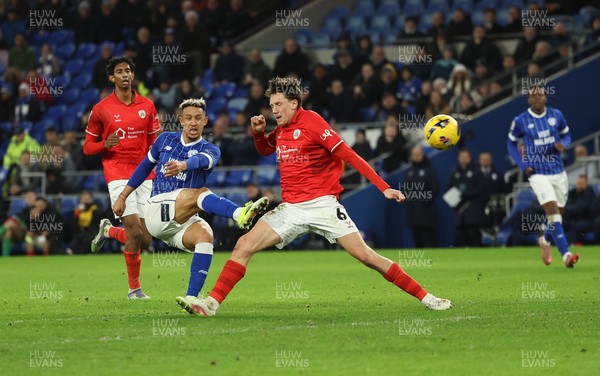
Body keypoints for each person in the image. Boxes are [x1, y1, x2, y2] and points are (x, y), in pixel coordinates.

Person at [178, 77, 452, 316]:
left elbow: (349, 155)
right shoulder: (282, 130)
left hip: (323, 205)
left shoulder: (313, 122)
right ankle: (211, 303)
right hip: (291, 208)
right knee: (243, 245)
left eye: (279, 105)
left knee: (366, 256)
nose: (274, 110)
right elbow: (264, 150)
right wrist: (259, 134)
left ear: (294, 103)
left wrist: (383, 187)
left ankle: (427, 298)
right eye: (272, 105)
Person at [111, 98, 268, 309]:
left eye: (198, 118)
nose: (193, 123)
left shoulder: (212, 149)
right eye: (188, 118)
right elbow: (143, 168)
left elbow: (202, 160)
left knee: (205, 235)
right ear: (181, 121)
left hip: (181, 219)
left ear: (205, 121)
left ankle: (192, 298)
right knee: (200, 193)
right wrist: (123, 196)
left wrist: (183, 165)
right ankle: (239, 214)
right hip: (158, 208)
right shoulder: (165, 140)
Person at [83, 56, 160, 299]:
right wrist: (104, 144)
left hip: (145, 174)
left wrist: (158, 171)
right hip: (117, 173)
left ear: (133, 75)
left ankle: (108, 231)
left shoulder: (147, 105)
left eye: (128, 70)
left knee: (146, 239)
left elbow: (153, 144)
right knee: (135, 234)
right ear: (111, 78)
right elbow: (87, 148)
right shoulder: (101, 109)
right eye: (120, 71)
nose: (125, 75)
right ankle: (134, 289)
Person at [507, 86, 579, 267]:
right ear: (529, 99)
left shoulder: (557, 115)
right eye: (533, 95)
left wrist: (563, 144)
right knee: (553, 212)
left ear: (546, 98)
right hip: (537, 173)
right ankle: (566, 255)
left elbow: (566, 135)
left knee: (558, 215)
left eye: (540, 95)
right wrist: (523, 165)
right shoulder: (520, 120)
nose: (537, 98)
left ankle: (545, 241)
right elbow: (511, 144)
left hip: (558, 170)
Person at [446, 149, 486, 247]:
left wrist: (467, 194)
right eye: (461, 158)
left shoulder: (477, 170)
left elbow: (481, 188)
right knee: (462, 235)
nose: (463, 160)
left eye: (465, 158)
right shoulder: (455, 171)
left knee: (474, 234)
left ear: (470, 158)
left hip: (473, 209)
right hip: (460, 210)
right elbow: (448, 187)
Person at [404, 146, 439, 248]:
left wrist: (423, 201)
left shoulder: (430, 171)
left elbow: (435, 189)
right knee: (417, 238)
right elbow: (406, 189)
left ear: (423, 155)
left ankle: (434, 259)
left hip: (427, 210)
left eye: (418, 154)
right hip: (413, 211)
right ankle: (421, 260)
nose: (416, 157)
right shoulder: (409, 171)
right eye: (414, 155)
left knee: (430, 237)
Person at [563, 175, 596, 245]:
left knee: (578, 227)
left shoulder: (589, 192)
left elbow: (582, 207)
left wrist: (570, 208)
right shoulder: (572, 193)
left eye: (582, 184)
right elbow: (566, 205)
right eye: (578, 183)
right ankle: (553, 243)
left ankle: (570, 244)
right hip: (572, 218)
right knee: (561, 223)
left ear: (586, 184)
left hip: (586, 219)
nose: (580, 186)